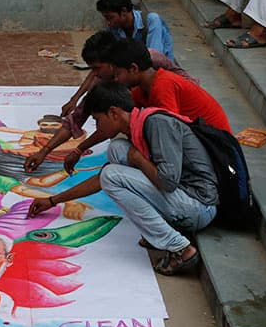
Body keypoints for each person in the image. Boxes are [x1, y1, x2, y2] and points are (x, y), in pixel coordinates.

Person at [28, 82, 218, 276]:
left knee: (114, 173)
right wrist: (52, 201)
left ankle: (180, 248)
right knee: (117, 150)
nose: (98, 126)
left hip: (198, 206)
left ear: (114, 113)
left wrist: (137, 159)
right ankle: (163, 233)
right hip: (182, 199)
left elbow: (167, 182)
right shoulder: (138, 126)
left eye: (97, 120)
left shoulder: (157, 124)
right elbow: (101, 179)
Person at [25, 30, 193, 172]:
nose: (95, 74)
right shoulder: (108, 83)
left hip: (181, 130)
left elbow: (183, 90)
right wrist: (46, 151)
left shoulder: (153, 69)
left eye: (97, 68)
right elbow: (76, 119)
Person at [108, 38, 231, 131]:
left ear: (133, 69)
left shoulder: (163, 86)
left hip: (215, 145)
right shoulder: (142, 89)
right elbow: (118, 120)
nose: (116, 79)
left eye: (118, 74)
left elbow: (170, 132)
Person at [96, 0, 174, 61]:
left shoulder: (152, 21)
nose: (108, 22)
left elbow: (155, 59)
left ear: (124, 11)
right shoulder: (113, 29)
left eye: (110, 18)